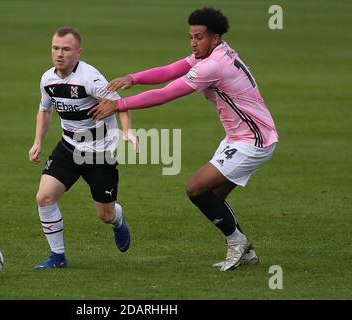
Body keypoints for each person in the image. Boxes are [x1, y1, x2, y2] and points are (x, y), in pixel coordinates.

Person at [89, 7, 278, 271]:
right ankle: (242, 248)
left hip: (254, 140)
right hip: (240, 137)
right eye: (191, 37)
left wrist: (118, 106)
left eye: (199, 37)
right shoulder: (216, 52)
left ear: (215, 37)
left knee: (195, 188)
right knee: (211, 196)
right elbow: (171, 69)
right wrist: (133, 78)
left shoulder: (213, 65)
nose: (193, 43)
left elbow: (166, 94)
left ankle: (238, 242)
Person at [29, 27, 138, 269]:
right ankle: (58, 257)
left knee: (105, 215)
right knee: (44, 197)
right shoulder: (48, 79)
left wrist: (128, 132)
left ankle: (117, 220)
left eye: (66, 49)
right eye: (55, 48)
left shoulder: (91, 78)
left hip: (100, 153)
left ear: (78, 52)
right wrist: (38, 141)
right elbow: (45, 110)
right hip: (68, 147)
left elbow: (119, 104)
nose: (59, 54)